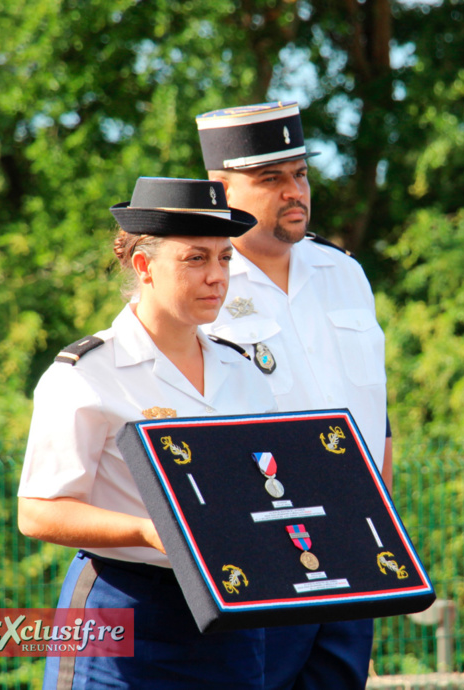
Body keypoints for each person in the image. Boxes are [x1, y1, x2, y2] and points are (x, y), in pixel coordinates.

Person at [18, 176, 276, 688]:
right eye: (195, 259)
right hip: (121, 604)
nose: (217, 277)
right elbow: (38, 512)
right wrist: (147, 531)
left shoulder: (243, 369)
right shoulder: (85, 374)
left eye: (225, 258)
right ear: (143, 266)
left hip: (233, 607)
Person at [195, 101, 392, 690]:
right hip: (262, 546)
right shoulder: (203, 283)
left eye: (300, 174)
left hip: (353, 541)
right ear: (219, 186)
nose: (293, 191)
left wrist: (375, 526)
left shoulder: (343, 272)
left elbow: (376, 410)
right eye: (269, 178)